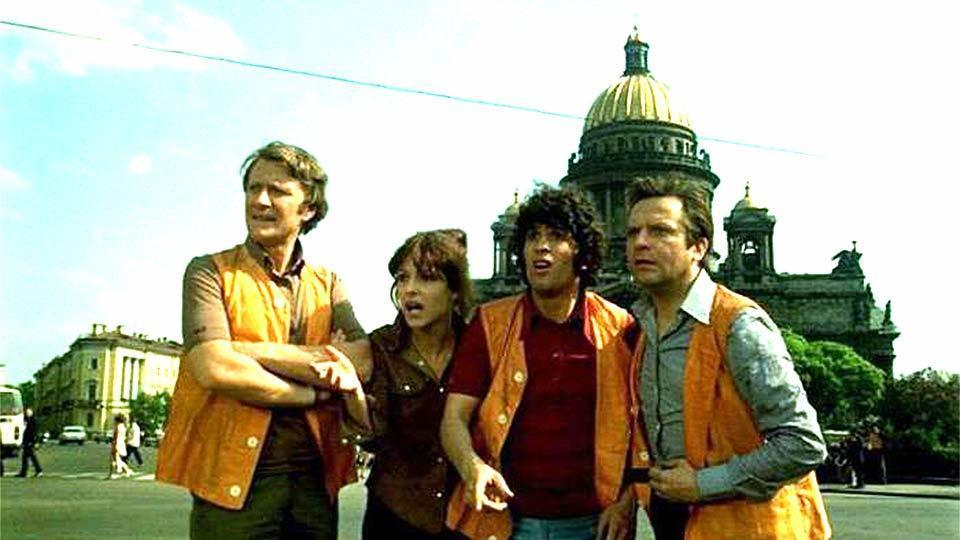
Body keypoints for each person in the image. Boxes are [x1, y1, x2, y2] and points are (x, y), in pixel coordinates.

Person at [156, 141, 372, 540]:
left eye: (277, 191)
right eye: (253, 188)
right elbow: (215, 368)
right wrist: (314, 391)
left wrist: (246, 351)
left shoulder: (329, 283)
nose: (259, 200)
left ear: (308, 208)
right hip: (232, 484)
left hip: (315, 482)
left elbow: (360, 362)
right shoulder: (209, 271)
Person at [624, 175, 831, 539]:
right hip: (674, 522)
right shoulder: (639, 329)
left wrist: (703, 484)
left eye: (660, 231)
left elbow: (804, 444)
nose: (641, 242)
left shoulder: (738, 324)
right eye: (632, 232)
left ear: (698, 246)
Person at [441, 185, 640, 540]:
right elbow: (453, 418)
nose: (541, 246)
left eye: (556, 236)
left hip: (596, 523)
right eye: (533, 236)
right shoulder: (490, 323)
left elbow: (643, 431)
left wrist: (627, 500)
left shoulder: (621, 328)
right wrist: (473, 468)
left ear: (582, 251)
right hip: (505, 520)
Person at [361, 229, 473, 540]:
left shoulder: (478, 348)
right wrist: (353, 398)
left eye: (427, 278)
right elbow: (370, 439)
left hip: (464, 516)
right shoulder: (380, 348)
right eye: (402, 278)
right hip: (396, 515)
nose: (410, 289)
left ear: (454, 291)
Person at [17, 407, 42, 478]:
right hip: (27, 442)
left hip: (29, 442)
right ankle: (24, 472)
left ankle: (38, 470)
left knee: (31, 457)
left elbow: (33, 433)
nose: (26, 414)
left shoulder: (32, 421)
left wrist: (32, 442)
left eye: (28, 413)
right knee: (26, 457)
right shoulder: (29, 421)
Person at [109, 414, 134, 479]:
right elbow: (125, 437)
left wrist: (114, 445)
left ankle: (127, 471)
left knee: (115, 459)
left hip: (117, 444)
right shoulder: (123, 427)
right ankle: (126, 471)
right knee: (116, 460)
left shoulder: (118, 427)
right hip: (121, 444)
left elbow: (116, 436)